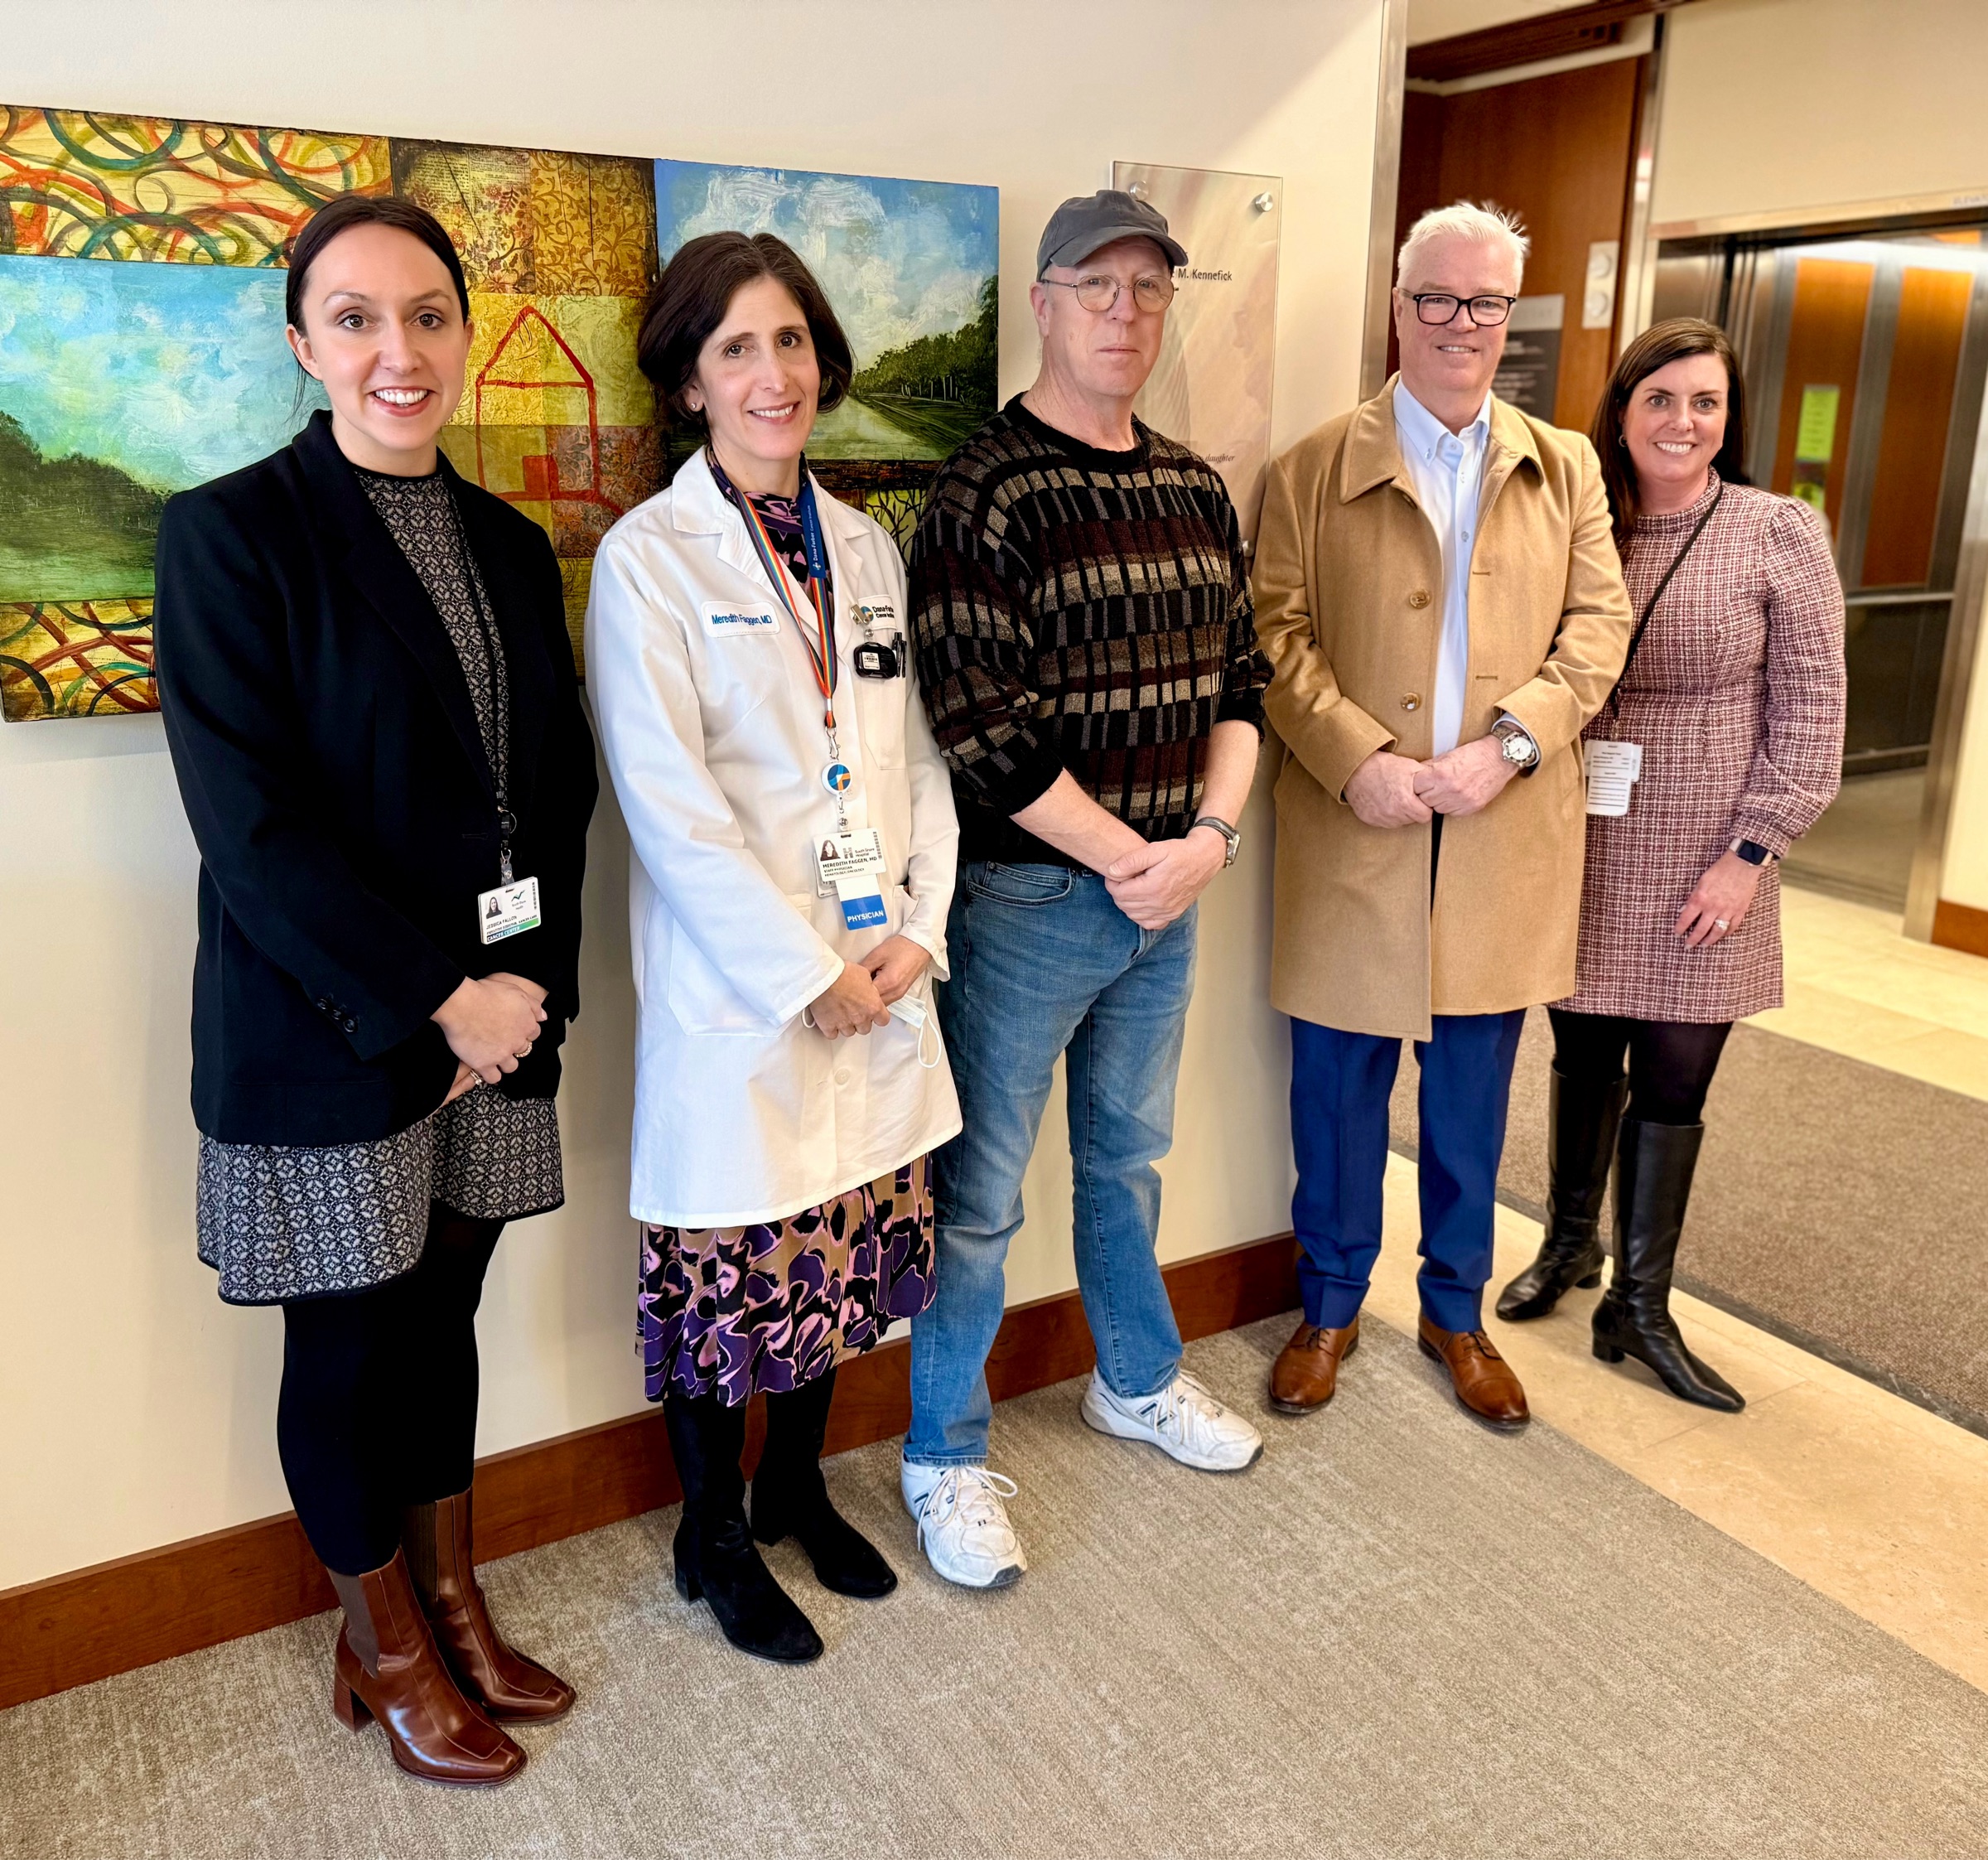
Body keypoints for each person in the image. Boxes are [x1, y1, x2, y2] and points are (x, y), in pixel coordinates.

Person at [154, 194, 598, 1785]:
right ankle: (385, 1640)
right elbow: (253, 834)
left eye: (425, 315)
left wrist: (525, 998)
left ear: (463, 336)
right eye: (354, 318)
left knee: (444, 1323)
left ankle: (454, 1597)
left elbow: (550, 800)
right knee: (344, 1349)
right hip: (333, 1034)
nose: (396, 351)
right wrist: (437, 1003)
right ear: (302, 345)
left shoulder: (508, 542)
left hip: (502, 1029)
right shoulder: (227, 537)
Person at [586, 232, 960, 1664]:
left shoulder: (864, 546)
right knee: (734, 1264)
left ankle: (798, 1484)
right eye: (736, 347)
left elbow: (919, 762)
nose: (771, 373)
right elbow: (669, 810)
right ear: (689, 379)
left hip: (882, 974)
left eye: (791, 341)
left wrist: (913, 933)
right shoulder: (649, 561)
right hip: (750, 999)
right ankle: (711, 1530)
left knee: (846, 1242)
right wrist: (811, 976)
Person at [901, 189, 1270, 1592]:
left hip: (1172, 897)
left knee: (1127, 1161)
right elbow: (980, 728)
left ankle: (1136, 1375)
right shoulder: (981, 490)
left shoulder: (1192, 483)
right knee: (980, 1198)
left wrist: (1209, 842)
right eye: (1097, 286)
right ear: (1043, 301)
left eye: (1150, 289)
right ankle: (941, 1451)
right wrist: (1131, 856)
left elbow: (1242, 681)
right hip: (1032, 907)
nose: (1127, 313)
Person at [1252, 201, 1633, 1431]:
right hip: (1354, 831)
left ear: (1507, 315)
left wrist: (1512, 744)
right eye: (1437, 298)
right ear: (1399, 305)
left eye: (1485, 303)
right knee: (1336, 1095)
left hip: (1496, 834)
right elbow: (1271, 636)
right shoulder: (1309, 467)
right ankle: (1328, 1306)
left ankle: (1455, 1313)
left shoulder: (1566, 463)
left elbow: (1598, 632)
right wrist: (1352, 752)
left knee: (1472, 1100)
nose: (1461, 324)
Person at [1495, 318, 1845, 1408]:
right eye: (1661, 399)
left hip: (1709, 849)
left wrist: (1751, 853)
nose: (1683, 422)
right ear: (1623, 410)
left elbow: (1815, 715)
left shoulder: (1776, 531)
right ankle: (1568, 1249)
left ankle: (1639, 1306)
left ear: (1728, 420)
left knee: (1676, 1077)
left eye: (1705, 402)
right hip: (1590, 836)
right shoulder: (1584, 518)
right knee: (1583, 1052)